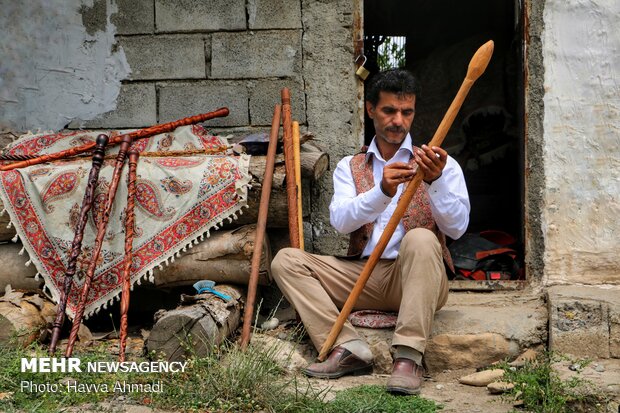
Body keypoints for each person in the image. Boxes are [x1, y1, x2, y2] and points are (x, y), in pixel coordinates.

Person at [271, 69, 470, 395]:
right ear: (370, 110)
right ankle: (348, 347)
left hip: (418, 279)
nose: (399, 121)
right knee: (286, 261)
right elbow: (341, 222)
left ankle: (407, 357)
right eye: (389, 110)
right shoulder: (350, 166)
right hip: (362, 275)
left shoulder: (439, 164)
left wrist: (434, 183)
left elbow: (457, 228)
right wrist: (382, 191)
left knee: (420, 238)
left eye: (407, 112)